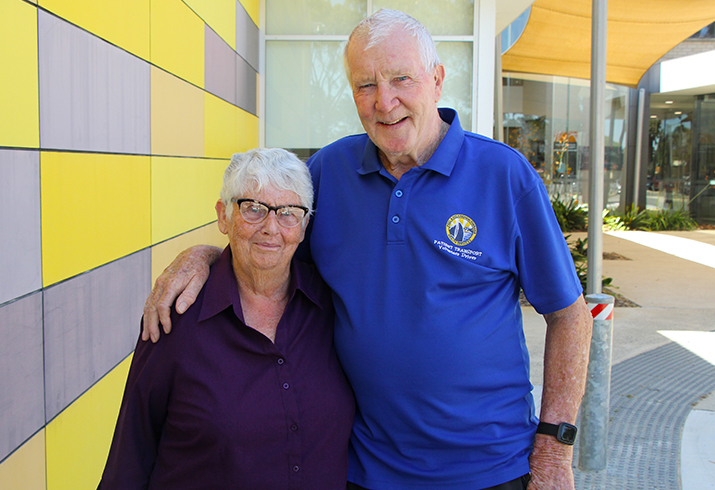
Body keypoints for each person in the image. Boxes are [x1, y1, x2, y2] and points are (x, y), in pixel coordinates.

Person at [143, 10, 592, 490]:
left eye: (401, 79)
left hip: (491, 470)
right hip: (367, 470)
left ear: (437, 81)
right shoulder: (329, 172)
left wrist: (554, 449)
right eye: (365, 85)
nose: (385, 102)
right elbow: (272, 238)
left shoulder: (505, 176)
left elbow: (570, 316)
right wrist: (206, 254)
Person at [99, 148, 355, 489]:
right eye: (253, 209)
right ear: (223, 216)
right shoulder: (177, 316)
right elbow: (130, 457)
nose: (271, 227)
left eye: (288, 213)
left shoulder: (331, 305)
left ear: (305, 225)